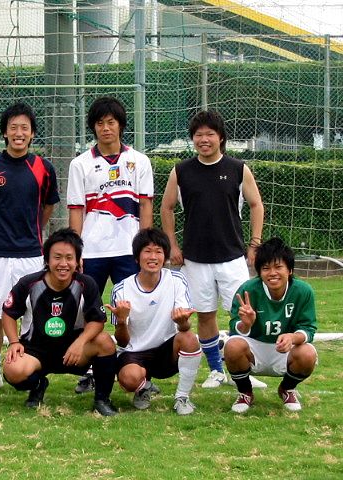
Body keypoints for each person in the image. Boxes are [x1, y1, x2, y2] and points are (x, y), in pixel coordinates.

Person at [160, 109, 265, 389]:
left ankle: (244, 368)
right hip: (195, 259)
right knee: (205, 315)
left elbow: (256, 204)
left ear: (221, 138)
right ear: (192, 138)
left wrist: (254, 244)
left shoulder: (238, 168)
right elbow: (166, 207)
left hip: (232, 257)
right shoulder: (181, 171)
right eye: (198, 135)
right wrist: (172, 245)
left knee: (242, 313)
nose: (204, 139)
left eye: (209, 134)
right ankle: (216, 370)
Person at [67, 96, 154, 394]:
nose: (106, 128)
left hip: (128, 251)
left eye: (111, 122)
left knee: (132, 309)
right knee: (89, 310)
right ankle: (92, 369)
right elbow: (76, 209)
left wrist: (145, 247)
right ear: (93, 127)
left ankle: (140, 368)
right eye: (100, 123)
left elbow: (145, 206)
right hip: (92, 251)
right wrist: (76, 250)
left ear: (121, 125)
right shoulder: (80, 164)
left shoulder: (139, 161)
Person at [0, 102, 60, 394]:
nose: (19, 133)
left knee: (33, 316)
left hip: (31, 255)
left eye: (24, 128)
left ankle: (29, 369)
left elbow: (47, 207)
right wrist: (2, 231)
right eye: (13, 128)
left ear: (32, 133)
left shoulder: (44, 168)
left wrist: (30, 232)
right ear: (5, 133)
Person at [2, 228, 118, 416]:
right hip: (35, 350)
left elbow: (97, 321)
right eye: (57, 257)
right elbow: (8, 313)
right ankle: (38, 384)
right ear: (47, 260)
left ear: (77, 261)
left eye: (69, 258)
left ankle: (102, 399)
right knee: (12, 369)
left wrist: (80, 342)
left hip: (73, 351)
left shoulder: (86, 284)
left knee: (105, 342)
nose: (63, 264)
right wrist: (14, 342)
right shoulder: (29, 284)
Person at [107, 228, 202, 415]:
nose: (153, 257)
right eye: (147, 251)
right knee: (129, 379)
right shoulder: (121, 289)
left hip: (165, 351)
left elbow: (184, 326)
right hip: (135, 353)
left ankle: (182, 397)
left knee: (190, 338)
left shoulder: (176, 280)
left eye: (158, 251)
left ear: (165, 256)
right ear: (137, 257)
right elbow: (123, 342)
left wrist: (183, 322)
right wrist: (121, 321)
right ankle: (143, 387)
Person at [225, 238, 318, 413]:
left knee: (307, 353)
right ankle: (245, 392)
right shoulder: (248, 289)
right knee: (232, 346)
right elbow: (235, 328)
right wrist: (246, 324)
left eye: (278, 267)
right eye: (266, 268)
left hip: (285, 349)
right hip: (254, 347)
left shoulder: (303, 291)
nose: (272, 273)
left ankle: (287, 389)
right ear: (259, 271)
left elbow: (308, 328)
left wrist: (292, 337)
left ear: (290, 270)